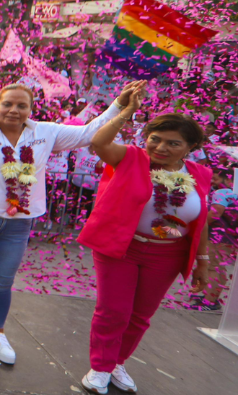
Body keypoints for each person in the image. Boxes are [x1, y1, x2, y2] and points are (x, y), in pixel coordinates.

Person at [0, 57, 136, 365]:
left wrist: (117, 105)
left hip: (19, 224)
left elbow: (88, 134)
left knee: (2, 280)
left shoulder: (46, 133)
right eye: (7, 104)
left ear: (30, 109)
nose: (14, 111)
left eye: (21, 106)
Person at [77, 104, 212, 394]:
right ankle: (100, 366)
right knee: (113, 311)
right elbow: (99, 143)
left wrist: (202, 261)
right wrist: (125, 113)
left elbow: (199, 220)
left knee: (140, 316)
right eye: (155, 138)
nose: (161, 147)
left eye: (173, 143)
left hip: (168, 254)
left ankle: (117, 363)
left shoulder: (200, 174)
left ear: (190, 147)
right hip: (122, 248)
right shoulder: (130, 157)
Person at [191, 169, 236, 311]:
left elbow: (215, 213)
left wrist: (199, 226)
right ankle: (209, 295)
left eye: (216, 179)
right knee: (218, 267)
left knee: (214, 268)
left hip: (219, 237)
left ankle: (210, 301)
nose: (213, 182)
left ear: (228, 180)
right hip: (231, 238)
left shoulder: (224, 193)